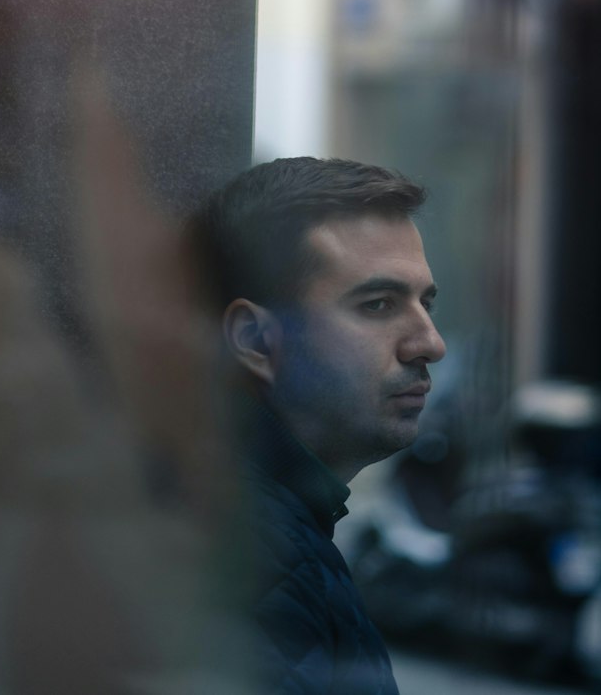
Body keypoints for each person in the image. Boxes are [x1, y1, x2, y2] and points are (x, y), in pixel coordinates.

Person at [188, 156, 446, 695]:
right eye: (378, 304)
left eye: (425, 304)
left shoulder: (270, 527)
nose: (429, 344)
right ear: (256, 341)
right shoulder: (249, 559)